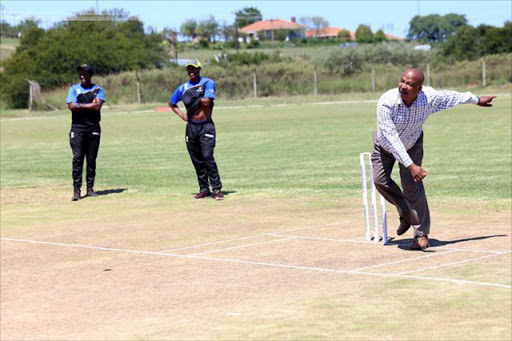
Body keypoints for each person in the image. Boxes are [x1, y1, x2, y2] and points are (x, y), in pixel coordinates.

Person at [372, 68, 495, 250]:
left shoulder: (428, 98)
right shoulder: (387, 102)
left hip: (413, 144)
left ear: (419, 88)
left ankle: (421, 235)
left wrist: (476, 100)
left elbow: (451, 97)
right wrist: (410, 165)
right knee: (379, 180)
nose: (403, 86)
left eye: (410, 84)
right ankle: (405, 210)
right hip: (385, 146)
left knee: (412, 187)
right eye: (402, 81)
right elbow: (392, 139)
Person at [169, 59, 224, 200]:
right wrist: (182, 115)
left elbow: (206, 102)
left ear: (199, 69)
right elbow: (171, 102)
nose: (191, 71)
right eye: (189, 69)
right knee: (197, 159)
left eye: (194, 68)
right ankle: (204, 188)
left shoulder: (207, 83)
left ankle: (217, 189)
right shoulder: (183, 88)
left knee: (207, 156)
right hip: (191, 127)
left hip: (206, 126)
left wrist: (192, 98)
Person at [66, 64, 106, 201]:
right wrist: (89, 105)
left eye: (84, 73)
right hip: (77, 128)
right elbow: (71, 106)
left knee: (91, 159)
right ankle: (76, 191)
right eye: (80, 74)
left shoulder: (98, 89)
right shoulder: (73, 89)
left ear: (90, 75)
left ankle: (90, 189)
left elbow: (98, 106)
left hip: (93, 128)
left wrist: (79, 105)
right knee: (77, 159)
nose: (82, 76)